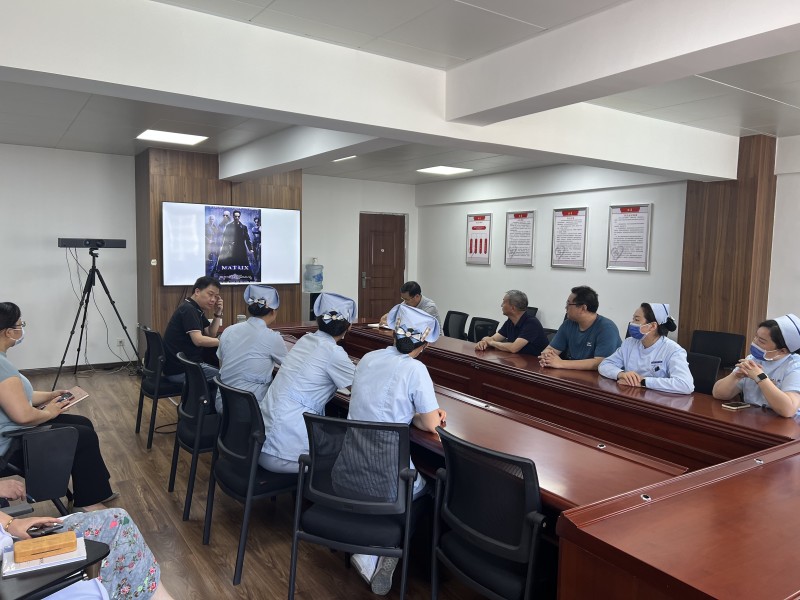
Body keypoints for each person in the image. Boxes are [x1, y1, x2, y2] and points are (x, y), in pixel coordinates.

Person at [346, 303, 446, 596]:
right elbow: (431, 424)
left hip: (350, 466)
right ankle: (385, 548)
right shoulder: (416, 369)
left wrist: (414, 413)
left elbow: (388, 406)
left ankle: (371, 547)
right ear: (424, 345)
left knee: (408, 484)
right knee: (428, 490)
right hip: (385, 475)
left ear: (393, 333)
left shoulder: (368, 358)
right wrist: (431, 414)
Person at [0, 302, 115, 511]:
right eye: (20, 324)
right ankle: (88, 503)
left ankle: (94, 491)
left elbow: (17, 396)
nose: (22, 329)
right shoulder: (1, 366)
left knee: (83, 423)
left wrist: (51, 396)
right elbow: (23, 416)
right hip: (11, 444)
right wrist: (50, 412)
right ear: (8, 332)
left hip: (13, 430)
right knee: (81, 435)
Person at [0, 480, 173, 600]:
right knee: (117, 528)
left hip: (8, 535)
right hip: (9, 565)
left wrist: (10, 523)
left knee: (118, 522)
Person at [259, 293, 357, 473]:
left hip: (260, 444)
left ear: (318, 319)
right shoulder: (333, 352)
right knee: (353, 444)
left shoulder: (305, 340)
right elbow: (361, 388)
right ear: (349, 326)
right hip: (286, 454)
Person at [214, 285, 288, 413]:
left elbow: (221, 362)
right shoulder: (272, 337)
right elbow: (290, 366)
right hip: (249, 407)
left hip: (222, 403)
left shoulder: (229, 330)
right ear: (273, 312)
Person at [712, 314, 800, 417]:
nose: (754, 342)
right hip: (751, 417)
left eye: (761, 341)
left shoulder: (795, 367)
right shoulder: (753, 359)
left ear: (782, 351)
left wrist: (760, 377)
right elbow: (718, 394)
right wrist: (735, 376)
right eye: (756, 337)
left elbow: (788, 410)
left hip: (784, 424)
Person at [598, 303, 694, 394]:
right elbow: (604, 365)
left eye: (637, 320)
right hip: (630, 394)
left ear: (652, 326)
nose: (632, 323)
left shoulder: (673, 350)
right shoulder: (629, 343)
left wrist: (643, 381)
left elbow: (685, 385)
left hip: (658, 400)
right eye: (633, 319)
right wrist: (621, 374)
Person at [539, 285, 622, 370]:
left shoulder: (607, 328)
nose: (566, 307)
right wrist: (546, 356)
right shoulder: (568, 324)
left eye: (569, 304)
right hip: (574, 373)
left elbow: (600, 363)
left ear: (583, 308)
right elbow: (551, 349)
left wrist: (561, 363)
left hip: (600, 376)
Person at [162, 276, 223, 383]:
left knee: (223, 373)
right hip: (182, 370)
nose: (213, 300)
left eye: (216, 296)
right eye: (210, 294)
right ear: (197, 291)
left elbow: (211, 334)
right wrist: (225, 341)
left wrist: (218, 313)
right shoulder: (189, 309)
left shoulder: (194, 308)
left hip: (184, 366)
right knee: (227, 376)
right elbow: (198, 340)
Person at [474, 290, 548, 355]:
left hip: (535, 364)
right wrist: (484, 343)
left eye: (504, 302)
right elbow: (493, 338)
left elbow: (514, 348)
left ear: (512, 308)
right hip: (516, 360)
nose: (501, 305)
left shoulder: (532, 323)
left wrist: (491, 342)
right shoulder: (510, 321)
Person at [216, 209, 254, 281]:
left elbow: (247, 239)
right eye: (235, 216)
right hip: (231, 249)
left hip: (241, 249)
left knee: (244, 267)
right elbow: (225, 237)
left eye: (238, 216)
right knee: (229, 266)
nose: (237, 218)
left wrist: (250, 249)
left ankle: (247, 278)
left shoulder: (244, 227)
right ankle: (227, 278)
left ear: (240, 217)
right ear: (233, 217)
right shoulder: (229, 226)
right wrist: (228, 243)